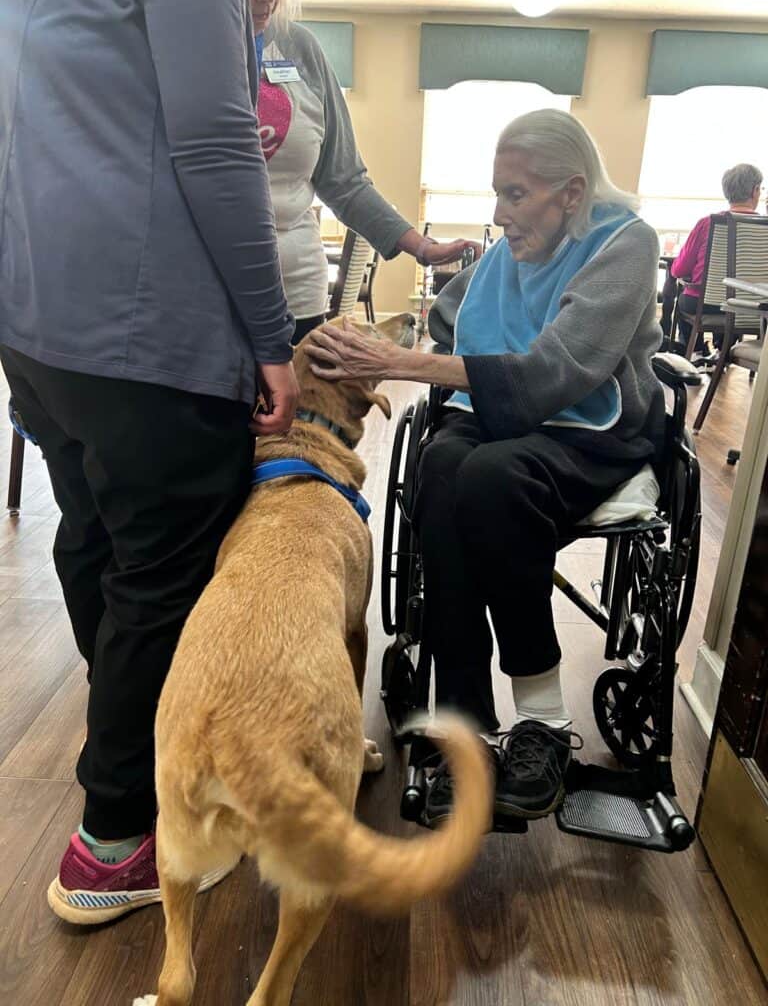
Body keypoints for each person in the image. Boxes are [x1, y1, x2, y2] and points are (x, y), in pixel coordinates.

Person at [0, 0, 298, 922]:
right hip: (144, 323)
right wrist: (272, 338)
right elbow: (213, 143)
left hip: (38, 322)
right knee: (164, 572)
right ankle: (119, 838)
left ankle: (134, 747)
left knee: (95, 534)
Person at [306, 109, 665, 825]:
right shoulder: (513, 249)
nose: (499, 214)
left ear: (571, 192)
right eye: (498, 193)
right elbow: (449, 315)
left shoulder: (626, 243)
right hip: (504, 422)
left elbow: (557, 372)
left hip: (590, 426)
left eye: (515, 194)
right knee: (441, 464)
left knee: (491, 477)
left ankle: (542, 721)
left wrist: (404, 363)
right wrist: (390, 345)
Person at [250, 0, 479, 342]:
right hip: (201, 296)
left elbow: (344, 182)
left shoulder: (301, 49)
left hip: (296, 296)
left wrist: (423, 248)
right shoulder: (177, 50)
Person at [669, 162, 763, 357]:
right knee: (732, 304)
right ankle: (723, 351)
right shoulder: (764, 228)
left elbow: (678, 270)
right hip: (751, 307)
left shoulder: (707, 223)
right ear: (755, 191)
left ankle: (695, 352)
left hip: (704, 303)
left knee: (684, 299)